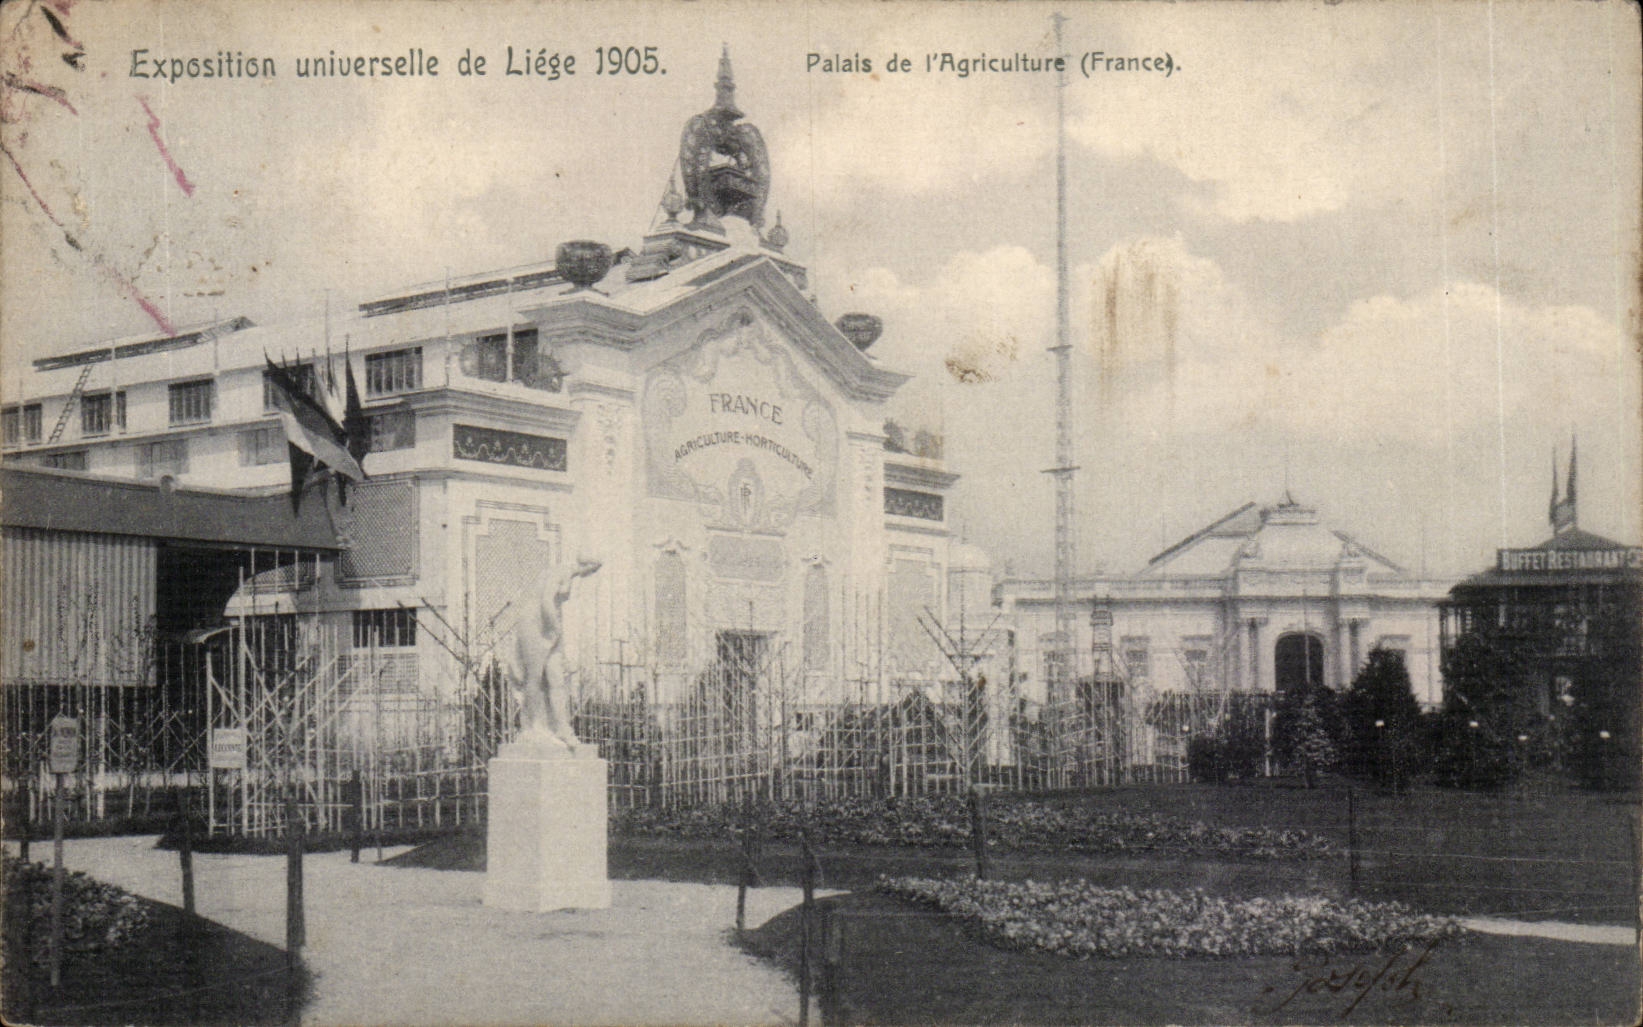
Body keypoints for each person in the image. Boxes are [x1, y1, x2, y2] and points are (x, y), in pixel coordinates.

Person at [512, 555, 602, 750]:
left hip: (550, 626)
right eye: (593, 570)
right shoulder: (562, 571)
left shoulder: (566, 573)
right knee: (534, 677)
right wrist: (556, 629)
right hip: (534, 624)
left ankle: (562, 727)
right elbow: (546, 601)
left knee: (556, 677)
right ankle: (534, 726)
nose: (591, 574)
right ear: (588, 564)